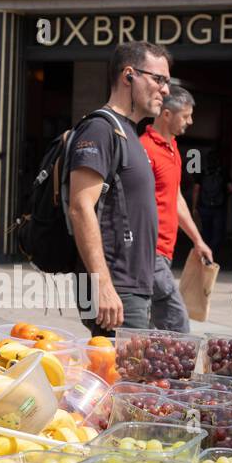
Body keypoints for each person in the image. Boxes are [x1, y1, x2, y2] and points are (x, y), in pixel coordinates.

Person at [67, 41, 169, 335]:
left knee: (121, 378)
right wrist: (102, 285)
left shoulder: (128, 133)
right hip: (115, 288)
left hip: (129, 287)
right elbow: (80, 206)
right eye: (158, 79)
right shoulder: (100, 129)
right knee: (123, 379)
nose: (165, 90)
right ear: (128, 75)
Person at [139, 86, 214, 332]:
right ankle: (178, 369)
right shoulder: (144, 150)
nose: (190, 121)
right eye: (186, 115)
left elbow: (176, 199)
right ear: (167, 114)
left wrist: (197, 240)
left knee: (153, 325)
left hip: (165, 252)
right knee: (177, 322)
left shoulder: (173, 150)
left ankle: (152, 369)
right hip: (149, 251)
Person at [192, 152, 232, 258]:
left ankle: (205, 254)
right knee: (217, 234)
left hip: (204, 207)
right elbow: (231, 188)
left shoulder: (202, 173)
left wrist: (194, 207)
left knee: (206, 231)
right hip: (219, 208)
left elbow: (196, 190)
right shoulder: (223, 173)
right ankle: (212, 254)